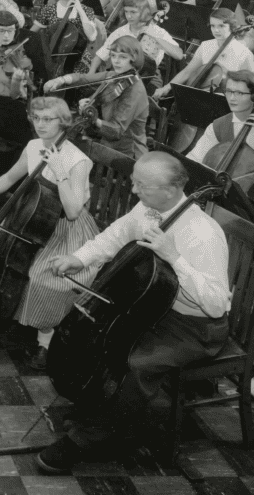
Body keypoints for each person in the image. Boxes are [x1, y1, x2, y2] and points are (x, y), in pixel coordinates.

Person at [39, 152, 230, 474]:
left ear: (171, 190)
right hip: (155, 308)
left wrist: (175, 258)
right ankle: (100, 409)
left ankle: (87, 440)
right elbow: (115, 235)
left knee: (137, 363)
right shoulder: (149, 207)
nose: (134, 190)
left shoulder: (203, 234)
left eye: (143, 185)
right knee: (102, 342)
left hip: (196, 327)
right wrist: (80, 258)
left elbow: (214, 303)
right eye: (134, 181)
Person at [0, 96, 99, 369]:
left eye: (48, 119)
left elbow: (73, 211)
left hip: (64, 228)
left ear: (64, 122)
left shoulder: (78, 161)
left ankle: (44, 342)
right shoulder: (34, 146)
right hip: (30, 217)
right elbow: (12, 177)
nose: (41, 125)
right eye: (37, 118)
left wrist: (60, 173)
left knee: (40, 278)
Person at [46, 35, 150, 159]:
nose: (116, 61)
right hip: (104, 141)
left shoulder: (134, 90)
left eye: (122, 57)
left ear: (134, 59)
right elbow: (84, 78)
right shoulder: (113, 75)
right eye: (113, 55)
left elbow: (116, 131)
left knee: (64, 150)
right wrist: (61, 80)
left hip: (125, 154)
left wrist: (93, 118)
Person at [186, 70, 254, 205]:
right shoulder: (219, 125)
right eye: (229, 91)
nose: (232, 98)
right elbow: (194, 159)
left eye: (239, 93)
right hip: (222, 195)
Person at [156, 9, 254, 98]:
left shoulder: (244, 54)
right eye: (213, 26)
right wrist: (166, 87)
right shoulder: (206, 45)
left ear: (232, 27)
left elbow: (251, 88)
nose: (216, 30)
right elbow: (188, 71)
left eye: (221, 26)